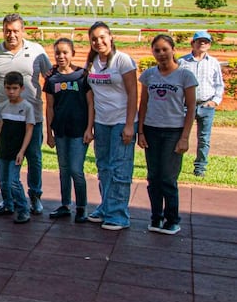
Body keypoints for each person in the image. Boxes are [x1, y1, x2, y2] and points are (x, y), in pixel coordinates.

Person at [0, 13, 52, 216]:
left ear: (23, 31)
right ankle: (8, 200)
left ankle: (35, 197)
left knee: (34, 158)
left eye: (15, 30)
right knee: (5, 160)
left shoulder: (37, 51)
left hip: (32, 117)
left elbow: (50, 78)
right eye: (7, 30)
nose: (11, 34)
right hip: (7, 120)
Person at [138, 35, 197, 235]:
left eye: (165, 49)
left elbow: (190, 109)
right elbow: (143, 103)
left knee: (168, 178)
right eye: (157, 50)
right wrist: (141, 132)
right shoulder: (149, 75)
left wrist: (185, 137)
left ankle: (172, 219)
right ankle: (156, 217)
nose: (161, 54)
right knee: (153, 177)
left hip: (173, 131)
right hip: (152, 130)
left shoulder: (185, 76)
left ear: (173, 49)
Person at [85, 21, 138, 231]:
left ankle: (119, 215)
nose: (99, 42)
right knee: (104, 168)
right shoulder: (93, 62)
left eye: (102, 37)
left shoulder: (122, 60)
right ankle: (106, 206)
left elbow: (133, 93)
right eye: (94, 39)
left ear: (111, 37)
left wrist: (129, 125)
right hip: (102, 123)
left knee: (120, 168)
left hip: (121, 122)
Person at [44, 38, 94, 223]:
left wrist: (90, 128)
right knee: (64, 169)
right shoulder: (51, 78)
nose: (61, 56)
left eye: (65, 52)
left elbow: (90, 103)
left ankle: (81, 207)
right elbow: (49, 107)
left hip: (79, 131)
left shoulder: (82, 75)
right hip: (61, 130)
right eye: (58, 53)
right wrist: (49, 133)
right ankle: (65, 205)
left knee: (75, 170)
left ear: (73, 53)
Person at [178, 30, 224, 177]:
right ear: (193, 43)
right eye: (199, 41)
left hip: (205, 105)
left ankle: (200, 168)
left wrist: (215, 101)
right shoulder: (182, 62)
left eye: (206, 41)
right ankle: (175, 166)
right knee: (180, 136)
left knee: (204, 139)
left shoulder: (214, 63)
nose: (202, 43)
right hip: (185, 106)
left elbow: (219, 84)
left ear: (209, 44)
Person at [0, 71, 35, 224]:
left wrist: (22, 151)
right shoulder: (3, 106)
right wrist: (0, 142)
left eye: (15, 88)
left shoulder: (27, 107)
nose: (11, 92)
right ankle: (7, 204)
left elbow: (29, 129)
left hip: (16, 151)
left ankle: (23, 208)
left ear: (21, 89)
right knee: (3, 180)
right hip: (3, 150)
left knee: (13, 181)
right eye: (8, 88)